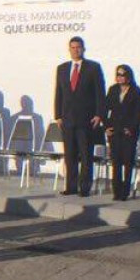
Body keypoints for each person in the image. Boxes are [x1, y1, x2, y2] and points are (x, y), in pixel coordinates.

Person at [54, 36, 106, 197]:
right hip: (67, 119)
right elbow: (59, 93)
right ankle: (71, 186)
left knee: (85, 155)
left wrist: (99, 114)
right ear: (69, 49)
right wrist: (58, 115)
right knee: (70, 155)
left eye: (78, 47)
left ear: (83, 49)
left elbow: (100, 93)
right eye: (73, 47)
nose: (76, 50)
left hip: (86, 119)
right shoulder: (62, 68)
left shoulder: (93, 67)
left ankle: (84, 187)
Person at [104, 64, 140, 201]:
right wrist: (106, 127)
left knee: (127, 162)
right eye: (118, 75)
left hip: (128, 132)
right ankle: (117, 190)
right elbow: (105, 109)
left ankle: (125, 191)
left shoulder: (135, 91)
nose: (120, 78)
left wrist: (132, 128)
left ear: (129, 76)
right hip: (115, 131)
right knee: (116, 162)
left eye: (123, 75)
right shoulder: (113, 90)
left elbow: (139, 112)